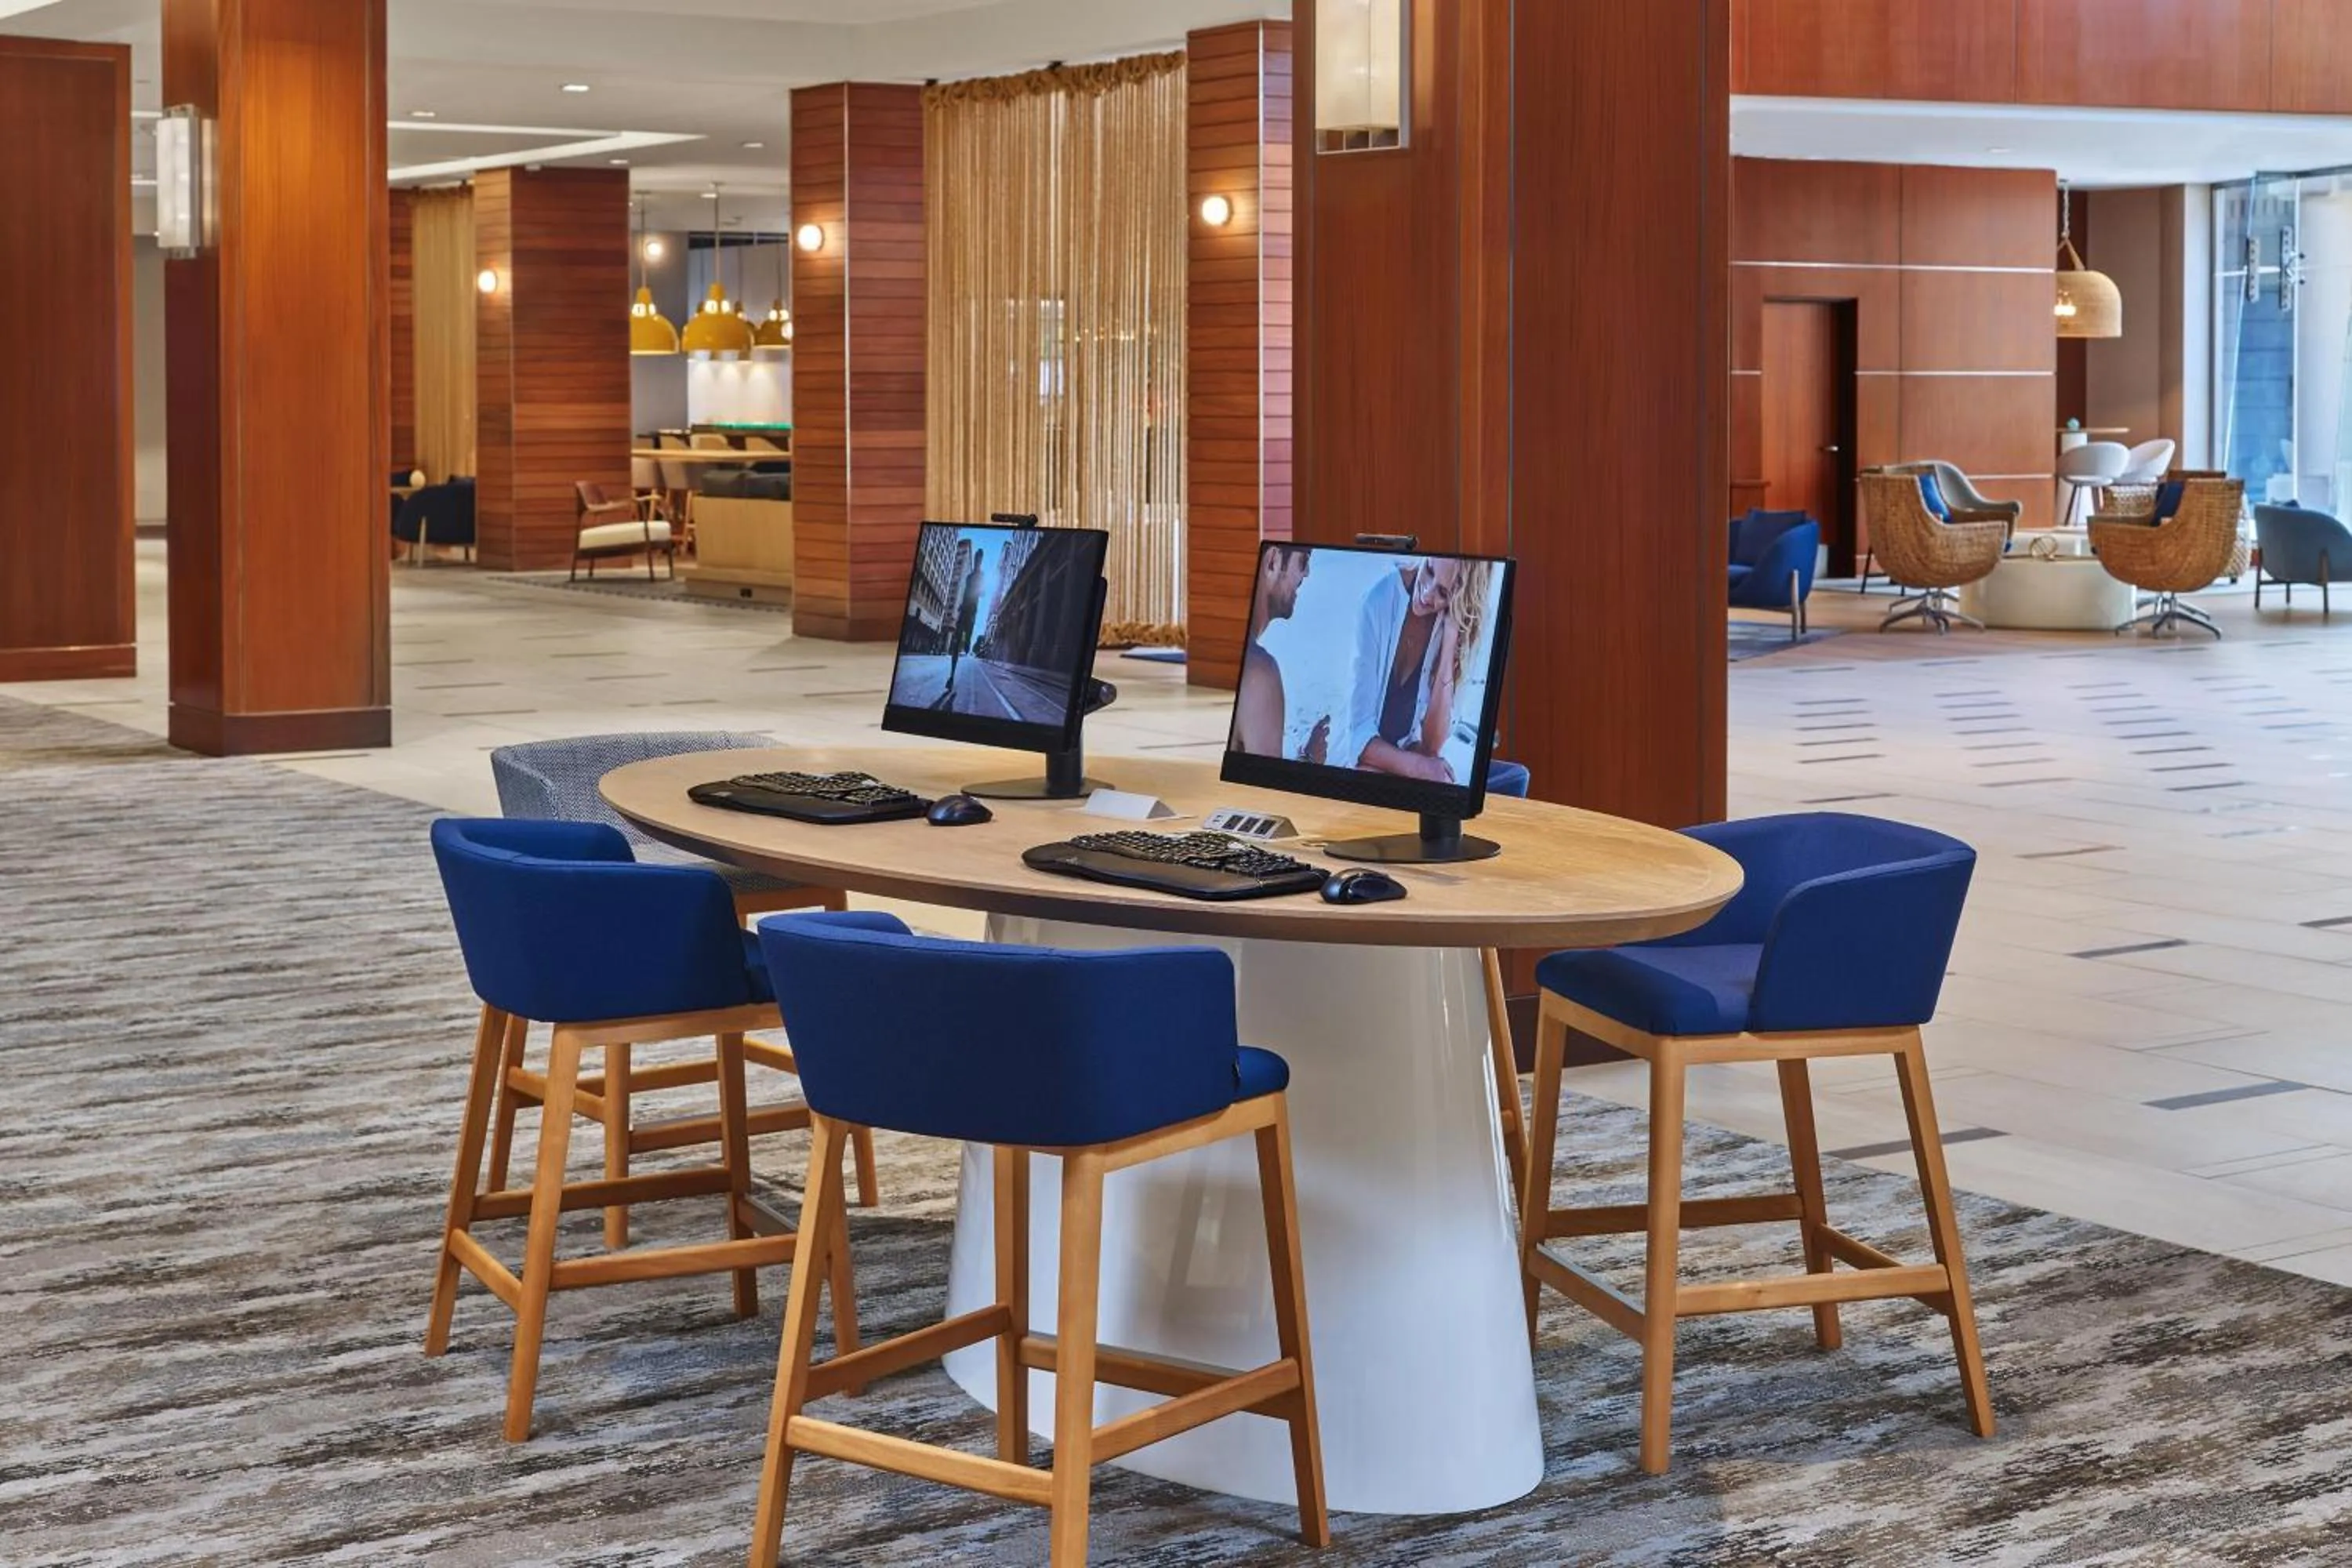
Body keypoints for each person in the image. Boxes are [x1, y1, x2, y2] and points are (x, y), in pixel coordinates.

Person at [1333, 556, 1492, 782]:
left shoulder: (1443, 622)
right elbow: (1358, 740)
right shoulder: (1377, 601)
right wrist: (1421, 768)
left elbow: (1432, 745)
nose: (1427, 594)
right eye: (1429, 571)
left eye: (1443, 593)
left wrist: (1449, 643)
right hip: (1356, 762)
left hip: (1400, 760)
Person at [1231, 544, 1311, 757]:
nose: (1307, 573)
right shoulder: (1259, 673)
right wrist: (1310, 757)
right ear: (1273, 562)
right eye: (1303, 561)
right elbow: (1262, 778)